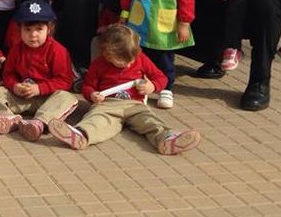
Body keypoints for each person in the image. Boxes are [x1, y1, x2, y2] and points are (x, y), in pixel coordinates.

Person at [50, 24, 201, 156]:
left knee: (149, 120)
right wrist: (92, 95)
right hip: (107, 104)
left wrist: (152, 87)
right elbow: (88, 86)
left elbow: (161, 78)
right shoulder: (99, 64)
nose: (129, 65)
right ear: (108, 55)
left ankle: (166, 139)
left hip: (135, 104)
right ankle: (81, 135)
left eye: (131, 60)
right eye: (122, 61)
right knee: (97, 120)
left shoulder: (140, 58)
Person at [0, 0, 78, 141]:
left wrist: (39, 88)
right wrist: (15, 85)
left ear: (49, 29)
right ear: (20, 29)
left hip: (47, 99)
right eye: (28, 29)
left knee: (67, 98)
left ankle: (39, 123)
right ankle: (11, 120)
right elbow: (8, 73)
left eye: (39, 29)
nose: (33, 35)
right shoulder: (16, 48)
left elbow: (65, 81)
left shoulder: (58, 51)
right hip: (21, 97)